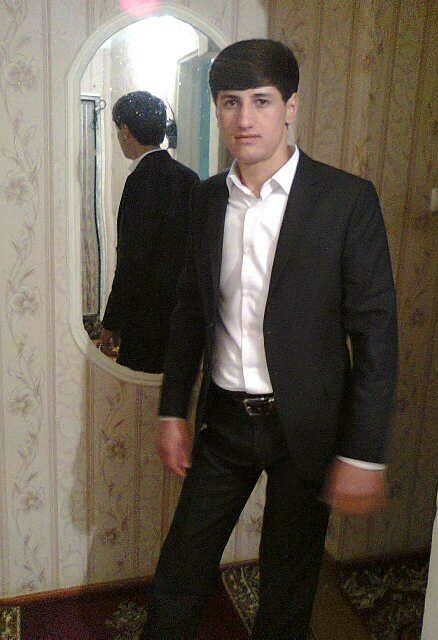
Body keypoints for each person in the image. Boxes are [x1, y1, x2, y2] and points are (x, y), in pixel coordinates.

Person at [141, 40, 398, 639]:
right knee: (182, 564)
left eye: (261, 100)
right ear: (217, 109)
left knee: (289, 576)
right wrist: (172, 410)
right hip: (225, 422)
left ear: (290, 107)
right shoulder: (205, 199)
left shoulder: (345, 200)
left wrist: (363, 451)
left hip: (306, 426)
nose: (245, 118)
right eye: (230, 102)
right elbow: (189, 312)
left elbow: (375, 334)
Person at [100, 91, 199, 373]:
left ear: (125, 131)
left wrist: (111, 320)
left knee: (138, 390)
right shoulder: (189, 178)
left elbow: (131, 260)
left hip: (145, 315)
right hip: (183, 312)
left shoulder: (138, 182)